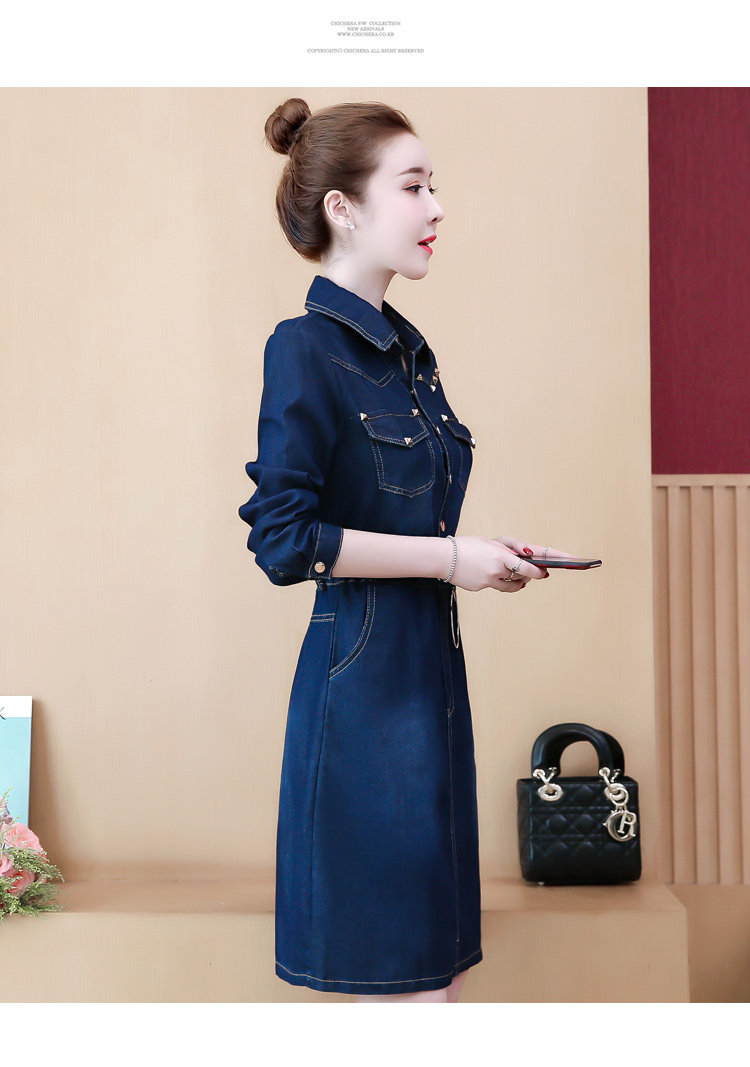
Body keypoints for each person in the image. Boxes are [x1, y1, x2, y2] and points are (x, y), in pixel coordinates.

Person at [239, 97, 573, 1003]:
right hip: (362, 711)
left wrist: (480, 553)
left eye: (434, 186)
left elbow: (415, 527)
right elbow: (283, 540)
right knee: (408, 993)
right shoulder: (305, 349)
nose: (437, 207)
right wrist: (450, 560)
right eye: (414, 187)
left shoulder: (407, 357)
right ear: (343, 208)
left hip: (431, 692)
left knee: (437, 984)